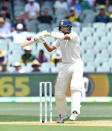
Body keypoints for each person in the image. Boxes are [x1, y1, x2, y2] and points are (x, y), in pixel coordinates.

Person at [37, 19, 83, 123]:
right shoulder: (59, 38)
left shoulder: (74, 35)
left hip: (76, 64)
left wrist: (48, 34)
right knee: (58, 90)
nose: (63, 28)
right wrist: (43, 41)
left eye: (65, 27)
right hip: (65, 65)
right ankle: (62, 115)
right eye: (61, 27)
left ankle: (75, 111)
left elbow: (64, 37)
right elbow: (50, 49)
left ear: (69, 27)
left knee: (75, 86)